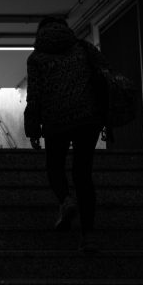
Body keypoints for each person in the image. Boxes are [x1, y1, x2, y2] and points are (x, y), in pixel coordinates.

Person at [24, 16, 108, 253]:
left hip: (55, 121)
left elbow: (34, 95)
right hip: (87, 118)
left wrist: (32, 128)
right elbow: (104, 73)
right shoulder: (83, 47)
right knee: (83, 173)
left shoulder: (36, 58)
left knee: (55, 166)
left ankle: (66, 200)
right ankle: (88, 235)